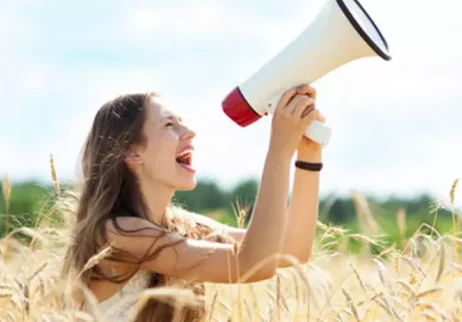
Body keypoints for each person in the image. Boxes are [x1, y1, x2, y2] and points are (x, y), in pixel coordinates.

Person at [59, 84, 325, 321]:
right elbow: (253, 264)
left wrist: (308, 156)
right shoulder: (118, 233)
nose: (189, 132)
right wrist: (279, 150)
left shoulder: (181, 226)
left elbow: (292, 248)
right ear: (132, 152)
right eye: (169, 125)